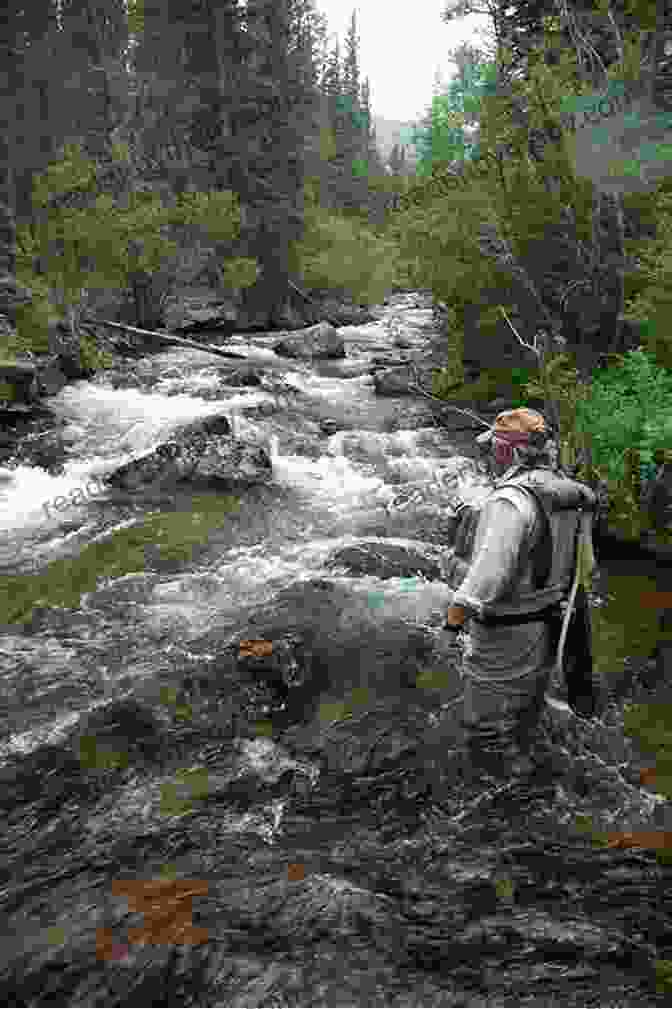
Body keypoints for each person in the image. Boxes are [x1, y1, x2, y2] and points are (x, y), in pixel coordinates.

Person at [441, 407, 598, 777]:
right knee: (526, 714)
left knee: (484, 729)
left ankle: (514, 802)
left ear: (509, 452)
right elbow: (586, 569)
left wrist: (450, 628)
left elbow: (487, 580)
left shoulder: (509, 501)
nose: (491, 457)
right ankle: (540, 775)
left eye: (495, 449)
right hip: (551, 629)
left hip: (505, 634)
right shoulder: (569, 493)